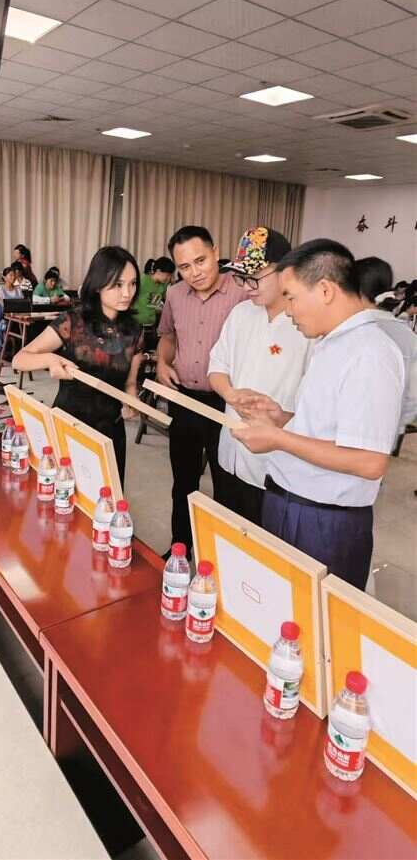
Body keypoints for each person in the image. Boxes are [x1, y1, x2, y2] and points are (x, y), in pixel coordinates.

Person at [232, 239, 404, 590]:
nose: (288, 310)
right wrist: (282, 418)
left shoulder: (370, 353)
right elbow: (330, 428)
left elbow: (370, 461)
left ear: (325, 290)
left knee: (317, 615)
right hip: (292, 503)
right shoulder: (332, 343)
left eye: (291, 297)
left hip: (322, 520)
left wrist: (279, 438)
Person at [12, 246, 143, 485]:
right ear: (98, 284)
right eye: (118, 285)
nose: (127, 293)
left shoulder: (134, 331)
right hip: (69, 425)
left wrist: (131, 399)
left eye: (132, 284)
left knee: (107, 497)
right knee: (63, 494)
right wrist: (49, 359)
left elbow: (130, 383)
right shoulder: (73, 322)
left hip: (110, 432)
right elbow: (20, 359)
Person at [208, 227, 311, 526]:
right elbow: (217, 366)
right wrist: (230, 394)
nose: (247, 286)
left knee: (263, 537)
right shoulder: (241, 314)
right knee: (226, 527)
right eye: (241, 277)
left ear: (286, 271)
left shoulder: (305, 325)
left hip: (274, 462)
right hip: (230, 450)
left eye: (255, 276)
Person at [157, 225, 247, 558]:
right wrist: (162, 363)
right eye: (184, 267)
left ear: (215, 252)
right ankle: (180, 550)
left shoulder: (242, 292)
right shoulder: (175, 295)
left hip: (227, 404)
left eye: (200, 261)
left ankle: (221, 559)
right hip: (184, 399)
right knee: (183, 481)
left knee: (227, 485)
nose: (194, 273)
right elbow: (168, 335)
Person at [355, 257, 417, 441]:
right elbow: (413, 395)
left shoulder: (353, 331)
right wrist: (397, 425)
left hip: (346, 433)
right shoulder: (409, 337)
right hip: (388, 432)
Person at [132, 256, 175, 328]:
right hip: (136, 323)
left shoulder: (163, 285)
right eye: (167, 275)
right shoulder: (142, 281)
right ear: (158, 271)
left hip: (151, 323)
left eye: (170, 276)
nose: (168, 278)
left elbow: (165, 301)